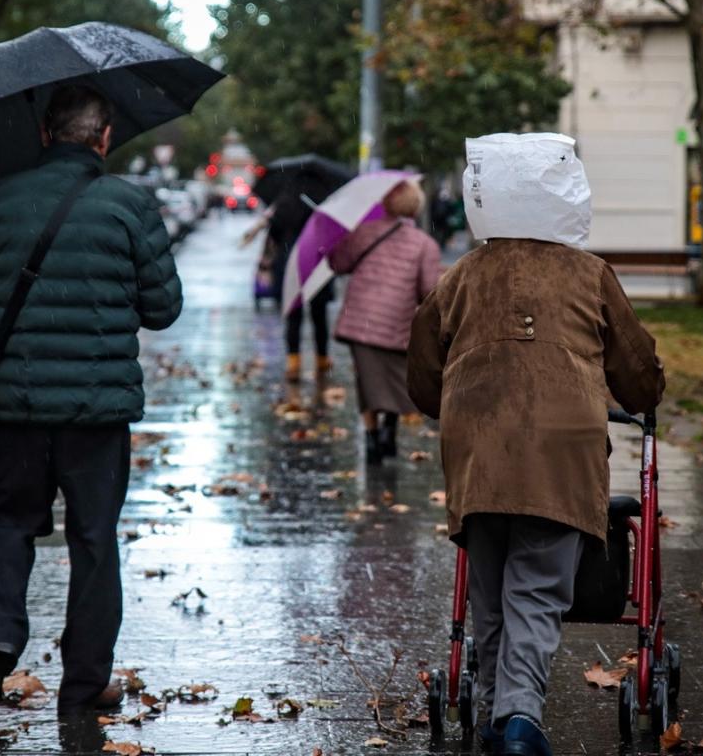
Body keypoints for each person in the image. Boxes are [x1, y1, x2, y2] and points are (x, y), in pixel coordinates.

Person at [0, 85, 183, 714]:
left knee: (7, 523)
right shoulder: (130, 206)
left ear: (45, 135)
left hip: (19, 408)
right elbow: (164, 309)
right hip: (97, 411)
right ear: (104, 139)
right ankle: (84, 684)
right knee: (92, 539)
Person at [406, 209, 664, 756]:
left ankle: (498, 720)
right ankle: (520, 716)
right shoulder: (590, 274)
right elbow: (638, 376)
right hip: (560, 456)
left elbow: (423, 373)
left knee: (492, 594)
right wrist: (645, 393)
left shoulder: (463, 275)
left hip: (479, 453)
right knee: (536, 592)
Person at [328, 179, 441, 463]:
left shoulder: (364, 233)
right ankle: (389, 431)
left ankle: (371, 436)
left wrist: (338, 240)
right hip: (397, 322)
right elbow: (429, 290)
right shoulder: (425, 244)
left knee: (367, 380)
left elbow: (339, 264)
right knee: (393, 380)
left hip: (361, 321)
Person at [265, 196, 333, 382]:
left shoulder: (283, 206)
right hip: (316, 263)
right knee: (319, 316)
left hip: (290, 264)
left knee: (293, 316)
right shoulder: (321, 205)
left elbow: (274, 235)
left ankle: (293, 364)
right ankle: (322, 360)